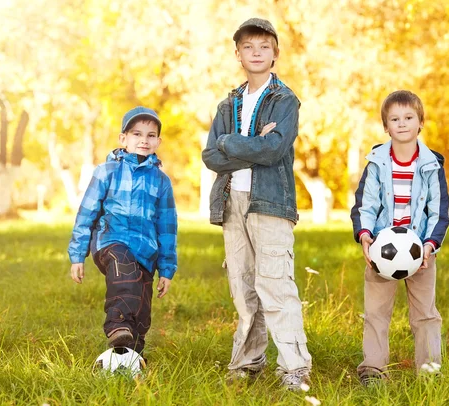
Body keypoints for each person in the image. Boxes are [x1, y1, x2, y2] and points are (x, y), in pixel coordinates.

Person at [201, 18, 312, 390]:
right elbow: (210, 157)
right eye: (248, 47)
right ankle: (248, 361)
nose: (256, 53)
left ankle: (295, 368)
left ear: (275, 53)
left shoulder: (285, 100)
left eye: (264, 46)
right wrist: (250, 146)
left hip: (270, 202)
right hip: (232, 201)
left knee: (276, 285)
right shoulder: (228, 103)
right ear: (238, 54)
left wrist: (231, 143)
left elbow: (274, 148)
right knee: (244, 287)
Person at [350, 90, 449, 385]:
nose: (402, 123)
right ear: (386, 126)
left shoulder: (432, 165)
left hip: (421, 253)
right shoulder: (377, 163)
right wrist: (366, 236)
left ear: (421, 122)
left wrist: (429, 246)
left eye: (409, 118)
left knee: (425, 314)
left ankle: (429, 369)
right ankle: (373, 369)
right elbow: (365, 205)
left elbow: (439, 211)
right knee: (376, 313)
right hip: (383, 251)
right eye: (395, 119)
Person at [68, 106, 177, 361]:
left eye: (151, 135)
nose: (144, 140)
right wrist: (77, 255)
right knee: (123, 268)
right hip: (111, 242)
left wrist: (167, 268)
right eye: (137, 134)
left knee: (142, 308)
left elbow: (167, 227)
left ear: (158, 141)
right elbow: (86, 213)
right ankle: (117, 324)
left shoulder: (161, 181)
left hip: (145, 251)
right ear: (123, 139)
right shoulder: (106, 172)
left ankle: (131, 356)